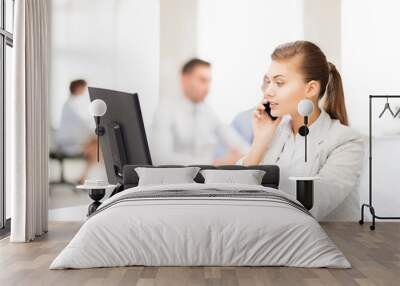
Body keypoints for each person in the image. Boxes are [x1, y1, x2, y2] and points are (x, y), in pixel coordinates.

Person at [238, 41, 366, 221]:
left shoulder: (346, 141)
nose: (268, 92)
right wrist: (260, 142)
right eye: (268, 82)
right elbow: (235, 194)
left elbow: (312, 207)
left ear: (311, 88)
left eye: (279, 83)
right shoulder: (273, 134)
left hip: (329, 244)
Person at [150, 58, 250, 165]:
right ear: (185, 80)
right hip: (176, 178)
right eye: (202, 80)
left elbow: (236, 142)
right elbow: (160, 158)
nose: (207, 88)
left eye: (209, 81)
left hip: (206, 178)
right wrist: (215, 164)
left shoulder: (207, 111)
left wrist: (251, 155)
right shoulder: (165, 110)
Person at [56, 79, 98, 183]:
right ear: (78, 88)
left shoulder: (72, 103)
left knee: (96, 146)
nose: (84, 90)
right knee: (96, 147)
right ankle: (83, 178)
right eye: (83, 87)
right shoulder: (70, 105)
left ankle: (83, 177)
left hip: (71, 141)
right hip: (68, 143)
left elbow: (81, 124)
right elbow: (80, 125)